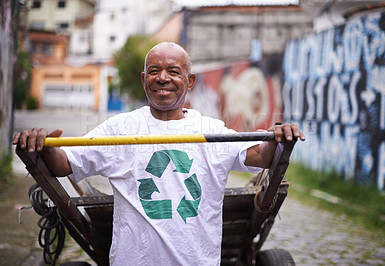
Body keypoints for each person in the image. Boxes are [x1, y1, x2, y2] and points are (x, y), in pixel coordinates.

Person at [13, 42, 305, 265]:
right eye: (154, 71)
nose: (162, 78)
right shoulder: (120, 129)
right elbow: (64, 163)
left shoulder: (210, 129)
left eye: (173, 71)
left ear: (189, 82)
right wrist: (41, 146)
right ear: (144, 80)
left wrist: (279, 138)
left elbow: (261, 156)